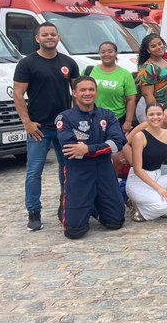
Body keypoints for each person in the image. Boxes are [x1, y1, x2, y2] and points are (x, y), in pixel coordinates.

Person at [13, 21, 79, 232]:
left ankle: (65, 205)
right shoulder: (27, 64)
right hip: (38, 128)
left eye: (53, 34)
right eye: (45, 34)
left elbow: (78, 93)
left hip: (63, 128)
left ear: (58, 37)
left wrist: (74, 119)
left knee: (67, 169)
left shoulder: (68, 62)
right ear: (37, 38)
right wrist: (27, 122)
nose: (49, 37)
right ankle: (34, 211)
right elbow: (18, 94)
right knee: (34, 171)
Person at [57, 76, 126, 239]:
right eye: (82, 90)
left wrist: (87, 149)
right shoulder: (65, 118)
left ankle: (93, 202)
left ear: (96, 92)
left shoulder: (108, 116)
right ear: (74, 93)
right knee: (74, 232)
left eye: (91, 89)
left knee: (116, 222)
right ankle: (66, 203)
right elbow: (71, 150)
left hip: (104, 170)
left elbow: (117, 143)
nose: (87, 93)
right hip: (79, 172)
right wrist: (102, 147)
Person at [125, 103, 167, 221]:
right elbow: (138, 170)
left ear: (162, 115)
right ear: (146, 116)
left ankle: (165, 209)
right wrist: (160, 189)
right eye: (151, 114)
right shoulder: (139, 136)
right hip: (139, 181)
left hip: (157, 175)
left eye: (158, 114)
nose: (155, 117)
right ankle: (138, 208)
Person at [85, 41, 136, 134]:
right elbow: (78, 94)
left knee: (115, 147)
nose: (106, 54)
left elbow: (131, 99)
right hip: (91, 117)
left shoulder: (125, 75)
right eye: (103, 52)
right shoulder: (88, 71)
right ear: (99, 54)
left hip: (116, 119)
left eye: (110, 51)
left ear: (116, 53)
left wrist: (128, 122)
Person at [136, 33, 167, 122]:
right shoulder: (148, 67)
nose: (158, 47)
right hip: (158, 110)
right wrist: (156, 114)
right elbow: (147, 94)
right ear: (148, 50)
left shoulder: (166, 62)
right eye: (153, 46)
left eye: (160, 44)